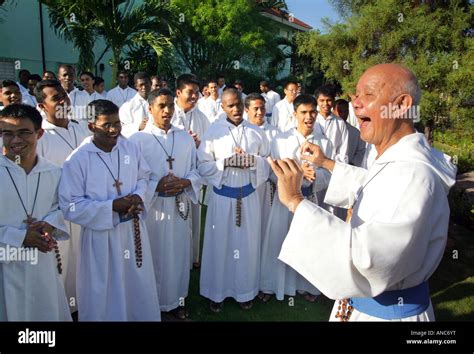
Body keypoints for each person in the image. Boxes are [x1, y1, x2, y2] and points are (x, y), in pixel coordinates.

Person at [269, 63, 457, 321]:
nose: (355, 104)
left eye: (368, 95)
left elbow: (368, 257)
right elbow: (373, 184)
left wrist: (296, 202)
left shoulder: (413, 176)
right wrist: (326, 162)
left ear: (401, 105)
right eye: (355, 95)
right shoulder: (397, 162)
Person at [58, 99, 160, 321]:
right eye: (107, 125)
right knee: (103, 291)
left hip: (132, 231)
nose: (114, 130)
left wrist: (138, 196)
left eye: (117, 123)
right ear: (92, 126)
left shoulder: (129, 147)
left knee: (136, 286)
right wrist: (111, 206)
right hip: (100, 237)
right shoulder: (78, 159)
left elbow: (145, 176)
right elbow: (70, 206)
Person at [129, 88, 201, 320]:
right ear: (150, 108)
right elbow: (133, 179)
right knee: (155, 256)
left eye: (170, 105)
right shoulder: (137, 141)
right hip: (152, 209)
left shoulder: (184, 138)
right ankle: (153, 304)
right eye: (161, 106)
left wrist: (185, 181)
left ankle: (178, 301)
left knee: (179, 255)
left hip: (179, 205)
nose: (167, 110)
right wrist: (155, 187)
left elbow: (196, 170)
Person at [198, 88, 270, 313]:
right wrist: (225, 163)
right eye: (230, 106)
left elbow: (268, 162)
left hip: (248, 197)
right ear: (223, 107)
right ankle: (216, 293)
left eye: (239, 104)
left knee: (246, 247)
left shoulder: (256, 131)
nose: (236, 109)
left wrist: (252, 161)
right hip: (222, 199)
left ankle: (244, 292)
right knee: (220, 246)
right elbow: (202, 166)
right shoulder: (214, 132)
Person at [0, 104, 71, 321]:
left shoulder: (54, 172)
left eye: (23, 132)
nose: (15, 141)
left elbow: (62, 208)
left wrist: (49, 225)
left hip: (41, 261)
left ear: (39, 133)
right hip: (5, 263)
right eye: (7, 134)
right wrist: (20, 237)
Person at [260, 94, 330, 303]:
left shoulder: (324, 141)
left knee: (308, 243)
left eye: (312, 112)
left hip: (310, 200)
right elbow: (271, 173)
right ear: (295, 114)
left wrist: (315, 176)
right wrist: (296, 174)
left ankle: (307, 285)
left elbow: (330, 173)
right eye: (304, 112)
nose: (309, 117)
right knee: (280, 240)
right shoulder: (281, 140)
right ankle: (272, 285)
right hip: (285, 201)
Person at [35, 80, 90, 313]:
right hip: (59, 214)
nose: (63, 101)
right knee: (64, 265)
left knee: (86, 263)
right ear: (41, 106)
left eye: (64, 96)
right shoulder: (40, 138)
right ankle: (66, 312)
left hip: (87, 209)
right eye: (55, 98)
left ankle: (88, 305)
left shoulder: (82, 129)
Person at [171, 74, 209, 269]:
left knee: (194, 215)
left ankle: (192, 257)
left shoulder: (201, 118)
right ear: (178, 92)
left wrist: (198, 144)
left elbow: (209, 147)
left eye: (197, 93)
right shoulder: (168, 112)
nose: (194, 97)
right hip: (170, 173)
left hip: (193, 174)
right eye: (190, 92)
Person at [244, 93, 279, 238]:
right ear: (246, 110)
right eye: (256, 109)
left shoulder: (276, 132)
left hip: (268, 185)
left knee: (266, 223)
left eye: (262, 108)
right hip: (247, 185)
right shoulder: (242, 131)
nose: (260, 112)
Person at [57, 64, 91, 131]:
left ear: (75, 77)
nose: (68, 77)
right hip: (61, 133)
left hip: (81, 134)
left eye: (71, 75)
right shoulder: (55, 95)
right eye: (64, 75)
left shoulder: (84, 95)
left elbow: (91, 118)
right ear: (59, 77)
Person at [333, 99, 365, 167]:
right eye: (340, 111)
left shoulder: (355, 132)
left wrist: (353, 164)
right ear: (333, 111)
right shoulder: (327, 129)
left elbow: (361, 151)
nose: (343, 114)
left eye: (346, 111)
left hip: (349, 168)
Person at [119, 72, 152, 137]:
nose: (144, 87)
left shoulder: (157, 102)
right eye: (141, 85)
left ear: (151, 84)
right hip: (136, 142)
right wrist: (138, 127)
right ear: (136, 86)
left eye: (146, 84)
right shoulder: (127, 106)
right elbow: (123, 129)